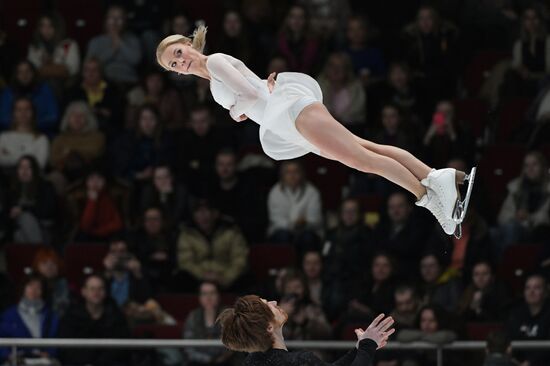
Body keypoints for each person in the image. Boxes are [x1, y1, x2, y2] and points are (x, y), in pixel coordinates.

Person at [156, 25, 474, 237]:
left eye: (178, 54)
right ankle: (440, 177)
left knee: (363, 159)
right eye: (172, 65)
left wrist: (234, 109)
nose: (179, 63)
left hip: (291, 113)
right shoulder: (210, 77)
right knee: (368, 149)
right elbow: (252, 89)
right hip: (286, 120)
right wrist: (241, 103)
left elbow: (251, 96)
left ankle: (429, 196)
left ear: (187, 44)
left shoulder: (214, 62)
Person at [217, 295, 394, 365]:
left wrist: (357, 349)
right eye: (268, 306)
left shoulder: (251, 362)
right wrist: (368, 346)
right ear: (268, 327)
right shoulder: (299, 361)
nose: (274, 303)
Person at [175, 199, 249, 291]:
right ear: (194, 215)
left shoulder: (231, 232)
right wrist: (203, 276)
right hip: (198, 279)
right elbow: (185, 262)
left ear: (215, 213)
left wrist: (225, 278)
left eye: (207, 211)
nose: (204, 216)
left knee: (246, 279)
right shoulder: (187, 234)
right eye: (199, 212)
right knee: (181, 278)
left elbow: (239, 260)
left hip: (226, 279)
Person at [58, 274, 130, 366]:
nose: (96, 292)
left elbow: (121, 349)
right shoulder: (70, 317)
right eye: (92, 289)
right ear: (83, 292)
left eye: (100, 288)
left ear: (105, 292)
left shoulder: (116, 316)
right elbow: (66, 349)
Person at [496, 151, 550, 250]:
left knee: (512, 229)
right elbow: (503, 217)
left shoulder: (548, 189)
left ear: (543, 167)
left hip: (538, 231)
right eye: (526, 165)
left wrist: (528, 217)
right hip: (516, 226)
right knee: (492, 233)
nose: (530, 169)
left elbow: (545, 219)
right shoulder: (515, 188)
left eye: (534, 164)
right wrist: (516, 216)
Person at [0, 275, 59, 364]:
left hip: (44, 361)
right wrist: (8, 355)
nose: (34, 290)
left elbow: (55, 338)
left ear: (43, 292)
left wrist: (49, 353)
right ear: (23, 288)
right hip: (16, 361)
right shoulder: (8, 315)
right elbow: (2, 338)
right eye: (30, 285)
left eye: (38, 287)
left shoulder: (50, 316)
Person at [267, 160, 323, 249]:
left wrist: (303, 223)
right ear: (282, 175)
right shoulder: (275, 192)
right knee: (283, 236)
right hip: (282, 231)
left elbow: (315, 219)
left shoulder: (312, 191)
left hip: (306, 230)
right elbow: (276, 219)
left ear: (301, 173)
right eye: (288, 172)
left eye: (296, 171)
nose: (292, 176)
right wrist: (293, 224)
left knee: (307, 237)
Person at [50, 101, 106, 188]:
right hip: (65, 173)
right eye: (73, 115)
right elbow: (53, 159)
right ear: (67, 119)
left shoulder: (97, 136)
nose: (77, 118)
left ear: (88, 118)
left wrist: (69, 151)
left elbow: (95, 151)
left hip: (89, 173)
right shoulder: (60, 139)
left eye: (81, 115)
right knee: (54, 178)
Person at [86, 5, 142, 86]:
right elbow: (90, 66)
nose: (115, 22)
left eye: (119, 18)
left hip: (129, 81)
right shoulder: (96, 41)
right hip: (104, 82)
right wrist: (112, 50)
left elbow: (136, 60)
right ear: (106, 20)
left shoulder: (133, 39)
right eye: (112, 18)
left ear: (125, 21)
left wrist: (120, 41)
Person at [7, 155, 57, 243]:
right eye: (21, 168)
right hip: (19, 229)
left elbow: (47, 211)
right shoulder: (13, 190)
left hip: (43, 228)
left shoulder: (45, 186)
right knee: (18, 235)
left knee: (25, 218)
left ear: (34, 170)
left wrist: (23, 209)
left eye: (28, 168)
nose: (24, 171)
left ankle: (39, 250)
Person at [0, 60, 59, 133]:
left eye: (28, 71)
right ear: (16, 75)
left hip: (41, 133)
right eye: (20, 72)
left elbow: (52, 117)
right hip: (12, 133)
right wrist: (19, 127)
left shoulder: (44, 89)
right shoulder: (8, 92)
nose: (24, 75)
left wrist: (31, 127)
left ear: (33, 73)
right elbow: (3, 118)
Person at [183, 281, 232, 366]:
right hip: (197, 362)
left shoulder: (228, 315)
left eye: (212, 293)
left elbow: (232, 345)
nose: (208, 297)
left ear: (218, 296)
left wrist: (219, 360)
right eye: (204, 294)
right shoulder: (193, 316)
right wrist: (207, 360)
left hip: (224, 363)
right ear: (199, 298)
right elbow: (188, 347)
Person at [27, 12, 80, 90]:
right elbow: (32, 70)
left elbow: (71, 70)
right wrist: (57, 69)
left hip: (66, 87)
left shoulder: (69, 44)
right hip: (39, 87)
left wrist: (44, 69)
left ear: (58, 27)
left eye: (50, 26)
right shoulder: (35, 46)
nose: (46, 29)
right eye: (43, 26)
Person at [506, 274, 550, 366]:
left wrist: (530, 362)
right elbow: (510, 340)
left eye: (537, 288)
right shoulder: (516, 314)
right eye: (528, 288)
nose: (531, 291)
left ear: (546, 293)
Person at [0, 97, 50, 169]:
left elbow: (40, 164)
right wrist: (27, 158)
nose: (23, 113)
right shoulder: (3, 137)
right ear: (13, 113)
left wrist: (9, 155)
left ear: (33, 113)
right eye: (19, 110)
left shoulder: (41, 139)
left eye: (27, 109)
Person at [31, 247, 70, 317]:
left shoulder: (64, 284)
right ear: (37, 266)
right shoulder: (31, 285)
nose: (49, 267)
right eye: (44, 263)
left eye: (53, 263)